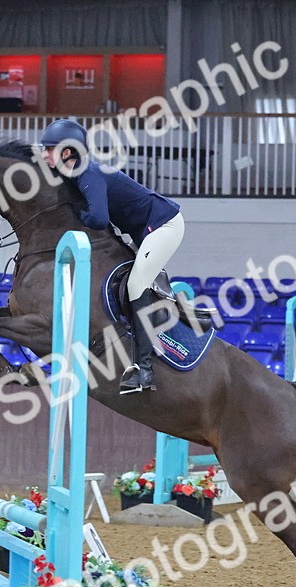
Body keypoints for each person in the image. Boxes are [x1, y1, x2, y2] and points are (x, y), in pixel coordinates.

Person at [39, 118, 185, 395]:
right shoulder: (73, 174)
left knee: (135, 285)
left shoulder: (88, 173)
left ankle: (143, 371)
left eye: (49, 149)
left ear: (67, 152)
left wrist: (74, 211)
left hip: (164, 225)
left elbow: (97, 218)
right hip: (144, 229)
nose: (44, 154)